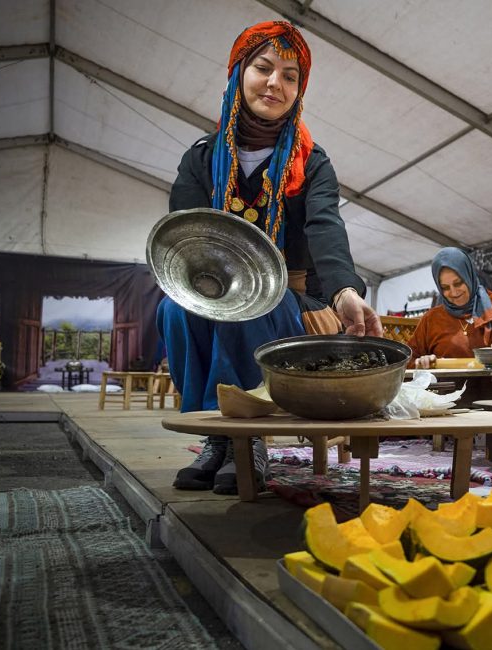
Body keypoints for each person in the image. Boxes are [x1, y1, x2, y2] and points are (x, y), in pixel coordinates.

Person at [159, 21, 382, 495]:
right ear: (238, 73)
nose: (274, 83)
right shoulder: (201, 158)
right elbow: (185, 236)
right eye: (263, 68)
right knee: (174, 309)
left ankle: (248, 436)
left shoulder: (312, 162)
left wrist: (345, 291)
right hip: (213, 289)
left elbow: (325, 226)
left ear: (300, 90)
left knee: (257, 305)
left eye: (290, 76)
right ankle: (216, 436)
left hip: (292, 298)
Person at [408, 248, 492, 370]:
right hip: (449, 391)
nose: (454, 292)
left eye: (458, 283)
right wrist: (421, 363)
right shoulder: (431, 319)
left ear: (469, 277)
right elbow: (407, 360)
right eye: (445, 287)